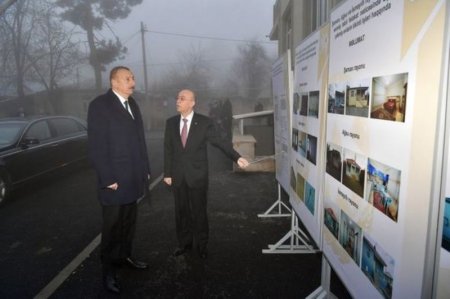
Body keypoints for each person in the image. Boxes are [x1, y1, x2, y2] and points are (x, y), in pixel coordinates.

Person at [163, 89, 249, 259]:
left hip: (197, 176)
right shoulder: (171, 122)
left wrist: (237, 157)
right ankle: (184, 244)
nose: (177, 101)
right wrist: (167, 173)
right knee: (181, 213)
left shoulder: (204, 122)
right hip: (178, 175)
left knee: (199, 212)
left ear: (192, 102)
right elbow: (168, 149)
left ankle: (201, 246)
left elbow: (219, 142)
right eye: (177, 98)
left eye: (182, 98)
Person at [87, 66, 151, 294]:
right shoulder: (100, 106)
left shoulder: (132, 104)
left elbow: (139, 140)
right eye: (127, 78)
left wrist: (145, 169)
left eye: (133, 78)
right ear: (114, 82)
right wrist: (108, 177)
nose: (133, 81)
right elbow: (96, 145)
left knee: (128, 224)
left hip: (133, 177)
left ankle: (125, 258)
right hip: (114, 181)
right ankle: (108, 271)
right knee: (112, 228)